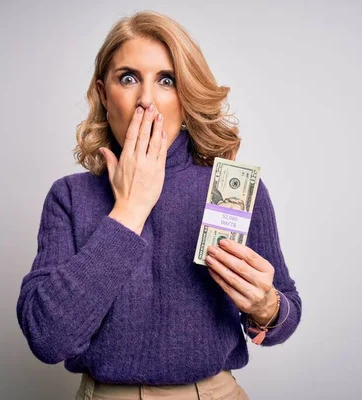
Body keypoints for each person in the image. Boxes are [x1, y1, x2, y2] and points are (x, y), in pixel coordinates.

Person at [16, 10, 302, 400]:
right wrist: (129, 210)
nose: (146, 100)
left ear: (186, 95)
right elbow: (47, 338)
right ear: (103, 92)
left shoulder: (230, 188)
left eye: (166, 80)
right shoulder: (69, 197)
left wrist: (267, 307)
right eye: (128, 78)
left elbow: (284, 315)